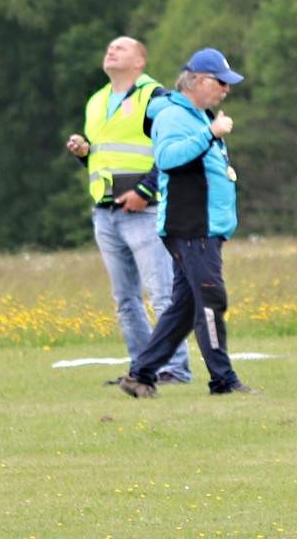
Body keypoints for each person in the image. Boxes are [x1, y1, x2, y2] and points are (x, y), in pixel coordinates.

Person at [116, 48, 251, 398]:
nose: (226, 89)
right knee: (211, 298)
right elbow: (167, 158)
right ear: (199, 81)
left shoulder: (197, 115)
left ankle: (140, 375)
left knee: (185, 307)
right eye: (221, 82)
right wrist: (211, 134)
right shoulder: (174, 116)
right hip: (192, 224)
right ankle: (223, 380)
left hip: (204, 225)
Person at [64, 35, 192, 385]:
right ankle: (142, 369)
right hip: (106, 212)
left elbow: (172, 149)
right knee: (125, 300)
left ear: (140, 62)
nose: (111, 50)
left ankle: (175, 369)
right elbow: (104, 158)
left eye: (121, 48)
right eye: (109, 47)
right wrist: (84, 153)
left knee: (163, 294)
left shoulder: (156, 97)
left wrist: (146, 190)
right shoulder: (96, 101)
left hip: (145, 210)